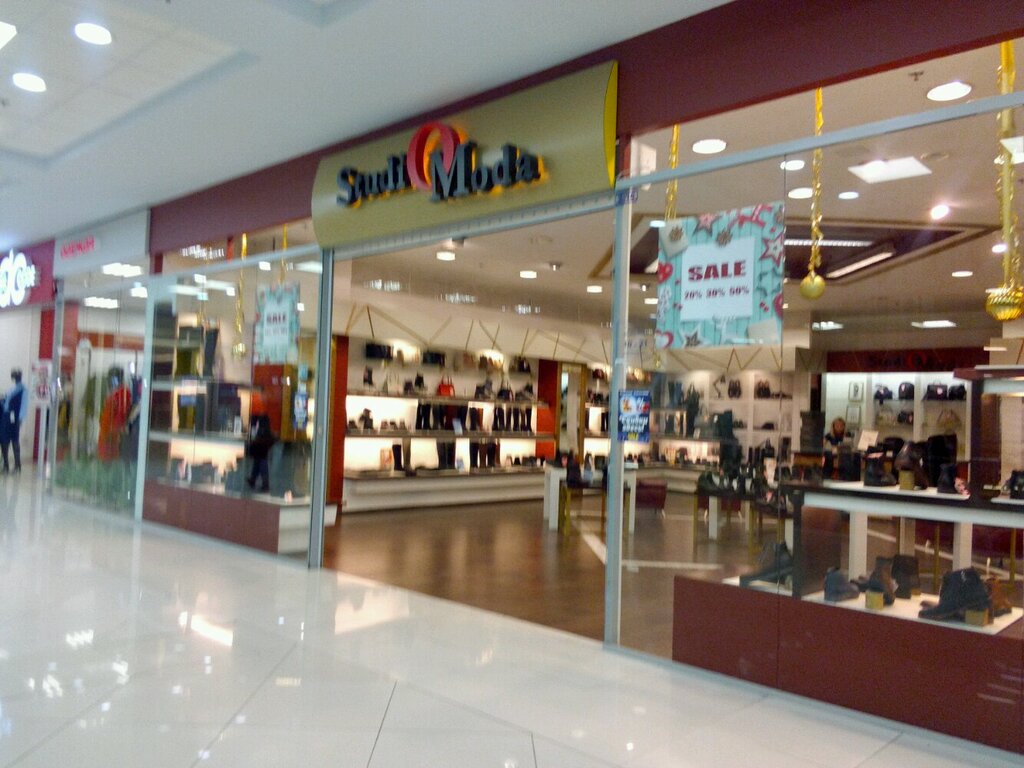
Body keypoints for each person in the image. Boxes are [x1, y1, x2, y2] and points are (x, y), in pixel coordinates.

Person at [1, 368, 28, 474]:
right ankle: (6, 465)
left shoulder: (23, 390)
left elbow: (24, 405)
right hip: (6, 417)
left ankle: (17, 465)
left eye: (16, 376)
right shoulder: (12, 389)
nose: (15, 378)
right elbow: (6, 401)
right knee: (4, 440)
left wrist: (20, 419)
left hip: (14, 417)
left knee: (14, 440)